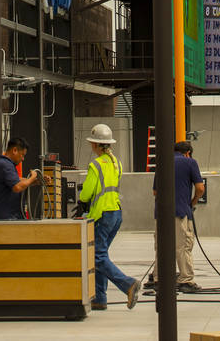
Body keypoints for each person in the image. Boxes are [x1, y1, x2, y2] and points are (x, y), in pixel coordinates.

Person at [78, 123, 140, 311]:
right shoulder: (116, 163)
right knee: (101, 255)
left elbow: (87, 192)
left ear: (96, 145)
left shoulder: (96, 165)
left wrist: (82, 201)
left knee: (97, 257)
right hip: (116, 213)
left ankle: (128, 284)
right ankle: (100, 298)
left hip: (102, 214)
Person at [152, 140, 206, 293]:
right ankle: (185, 280)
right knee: (182, 247)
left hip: (161, 214)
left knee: (162, 247)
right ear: (188, 153)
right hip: (181, 212)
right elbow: (200, 188)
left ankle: (158, 280)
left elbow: (155, 192)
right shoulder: (190, 163)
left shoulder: (162, 163)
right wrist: (192, 202)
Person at [0, 136, 41, 220]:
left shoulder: (6, 164)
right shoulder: (5, 164)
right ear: (14, 150)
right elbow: (17, 187)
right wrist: (32, 177)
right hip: (6, 219)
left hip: (11, 217)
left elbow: (17, 180)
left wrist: (37, 181)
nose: (23, 159)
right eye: (22, 155)